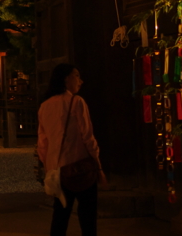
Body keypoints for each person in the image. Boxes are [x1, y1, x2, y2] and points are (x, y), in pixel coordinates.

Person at [37, 63, 106, 236]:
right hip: (80, 167)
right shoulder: (77, 102)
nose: (80, 81)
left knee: (60, 217)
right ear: (66, 78)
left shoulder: (44, 106)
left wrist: (48, 169)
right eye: (77, 76)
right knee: (87, 217)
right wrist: (98, 166)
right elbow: (88, 137)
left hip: (58, 171)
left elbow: (42, 143)